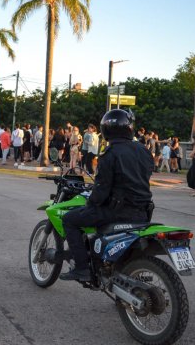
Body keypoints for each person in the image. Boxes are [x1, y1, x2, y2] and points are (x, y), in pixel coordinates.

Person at [60, 109, 154, 281]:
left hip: (117, 212)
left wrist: (92, 202)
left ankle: (81, 268)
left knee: (69, 219)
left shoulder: (110, 154)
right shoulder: (144, 151)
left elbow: (102, 190)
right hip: (143, 211)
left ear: (106, 130)